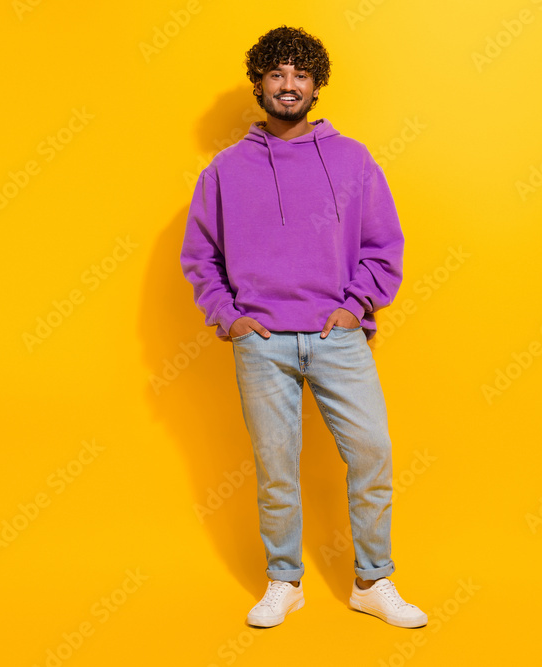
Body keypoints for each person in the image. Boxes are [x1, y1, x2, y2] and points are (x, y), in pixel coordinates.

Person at [180, 25, 427, 629]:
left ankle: (373, 580)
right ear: (259, 83)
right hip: (260, 342)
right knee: (276, 467)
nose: (288, 85)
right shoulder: (225, 170)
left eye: (300, 75)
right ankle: (283, 581)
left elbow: (382, 244)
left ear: (316, 85)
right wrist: (231, 319)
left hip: (335, 336)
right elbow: (199, 256)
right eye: (276, 74)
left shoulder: (352, 159)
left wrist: (353, 307)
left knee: (372, 452)